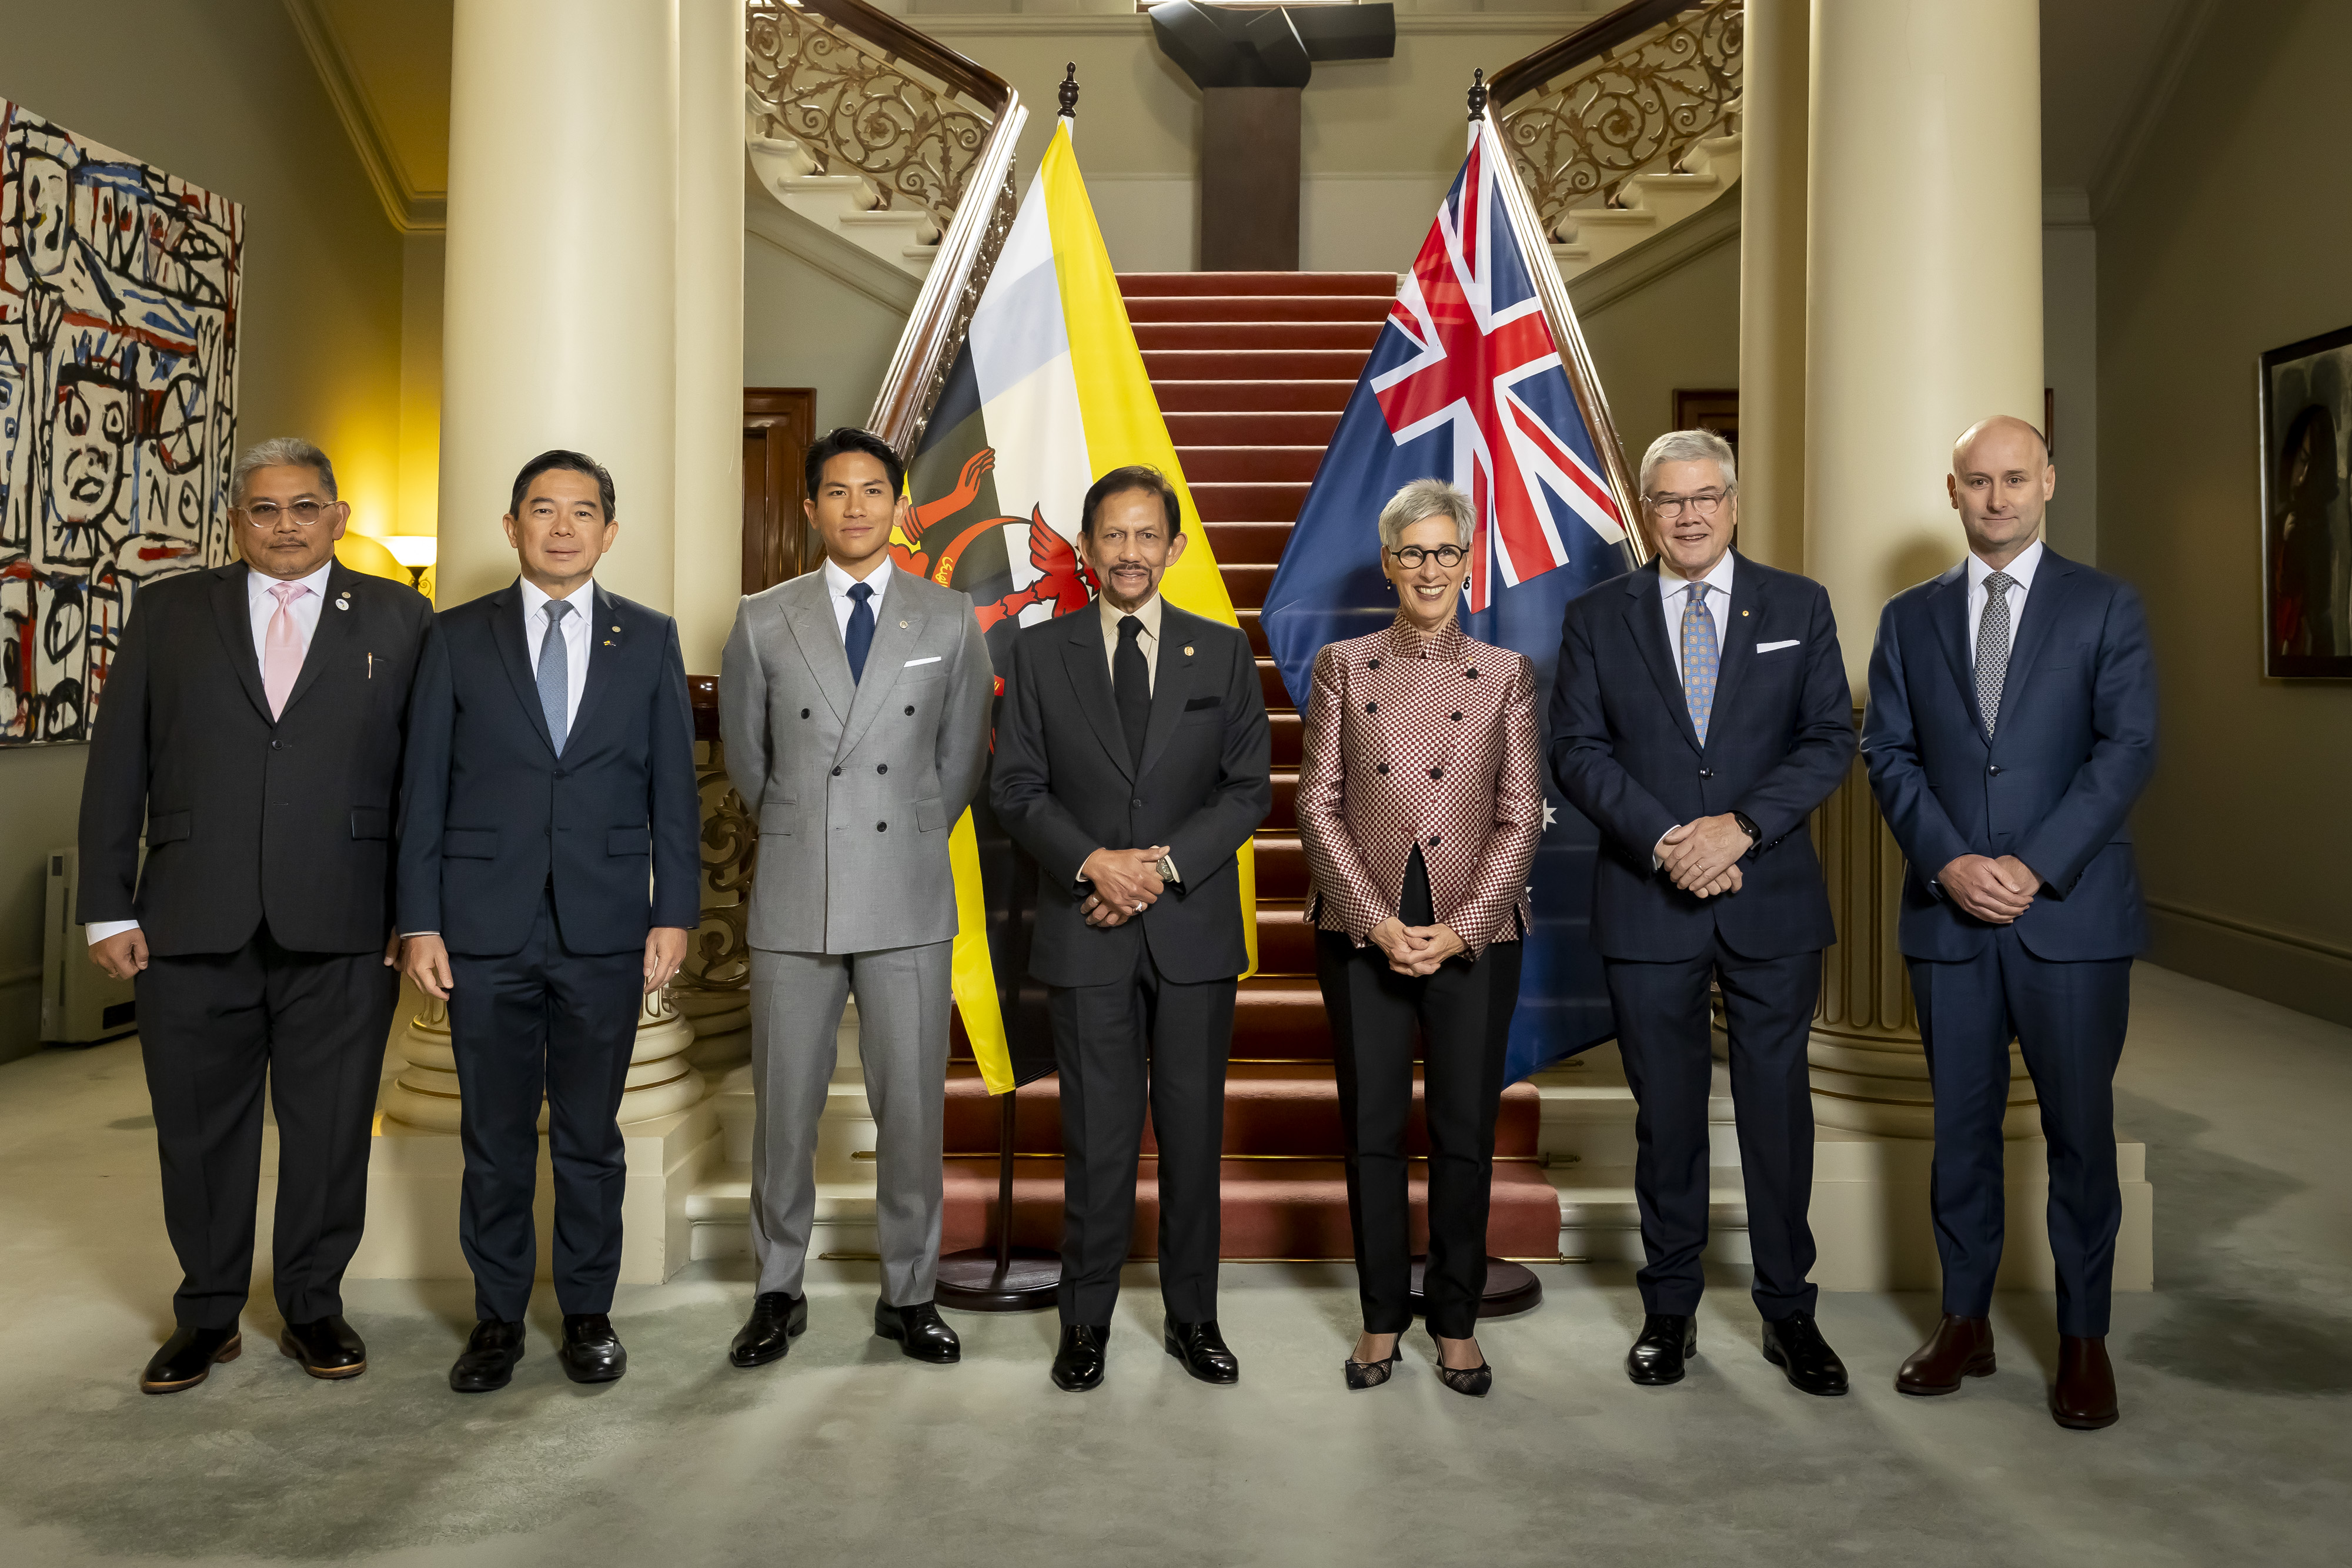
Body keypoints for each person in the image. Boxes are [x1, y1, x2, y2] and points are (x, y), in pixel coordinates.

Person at [78, 437, 432, 1394]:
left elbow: (422, 782)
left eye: (305, 507)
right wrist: (106, 906)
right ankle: (207, 1313)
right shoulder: (169, 613)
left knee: (327, 1129)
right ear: (237, 521)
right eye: (265, 510)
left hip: (347, 919)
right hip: (191, 917)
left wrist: (418, 912)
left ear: (339, 517)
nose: (285, 526)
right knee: (196, 1129)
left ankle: (315, 1305)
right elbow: (118, 765)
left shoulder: (402, 616)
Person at [1549, 428, 1857, 1396]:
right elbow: (1578, 750)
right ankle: (1669, 1309)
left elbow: (1826, 741)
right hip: (1648, 900)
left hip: (1769, 899)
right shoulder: (1599, 616)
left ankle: (1788, 1312)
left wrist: (1740, 831)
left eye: (1706, 497)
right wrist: (1671, 841)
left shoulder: (1798, 606)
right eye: (1671, 500)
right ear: (1648, 511)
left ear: (1734, 501)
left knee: (1777, 1112)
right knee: (1667, 1115)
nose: (1690, 515)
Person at [1862, 415, 2156, 1430]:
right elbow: (1888, 755)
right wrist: (1948, 862)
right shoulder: (1908, 618)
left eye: (2015, 479)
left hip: (2069, 918)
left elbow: (2125, 751)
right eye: (1978, 482)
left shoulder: (2106, 606)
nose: (1997, 498)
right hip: (1950, 921)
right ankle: (1966, 1321)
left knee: (2079, 1134)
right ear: (1953, 493)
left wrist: (2032, 865)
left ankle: (2084, 1340)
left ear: (2050, 484)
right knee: (1962, 1134)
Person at [397, 450, 700, 1393]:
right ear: (511, 526)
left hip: (607, 927)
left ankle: (588, 1312)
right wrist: (419, 921)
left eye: (582, 512)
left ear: (610, 532)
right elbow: (422, 793)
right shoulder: (454, 638)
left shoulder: (649, 640)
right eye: (542, 509)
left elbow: (674, 797)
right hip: (482, 927)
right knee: (490, 1135)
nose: (562, 527)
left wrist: (675, 914)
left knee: (589, 1134)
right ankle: (496, 1321)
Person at [717, 428, 994, 1368]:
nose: (856, 508)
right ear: (810, 509)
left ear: (899, 503)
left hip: (908, 895)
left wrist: (899, 826)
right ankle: (776, 1288)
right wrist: (806, 828)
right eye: (836, 492)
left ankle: (909, 1294)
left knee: (912, 1111)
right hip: (796, 895)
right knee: (783, 1111)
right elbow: (749, 766)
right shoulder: (763, 617)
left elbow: (957, 767)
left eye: (873, 490)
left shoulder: (950, 618)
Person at [990, 464, 1271, 1393]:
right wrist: (1092, 865)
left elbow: (1247, 789)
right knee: (1098, 1140)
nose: (1130, 553)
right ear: (1084, 547)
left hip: (1190, 932)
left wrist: (1157, 869)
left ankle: (1195, 1319)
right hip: (1084, 929)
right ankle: (1086, 1322)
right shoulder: (1038, 653)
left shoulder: (1222, 652)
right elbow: (1017, 790)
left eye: (1148, 536)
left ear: (1175, 548)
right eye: (1113, 536)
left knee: (1192, 1138)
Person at [1294, 479, 1544, 1398]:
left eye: (1446, 552)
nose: (1430, 568)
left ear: (1467, 561)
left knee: (1465, 1133)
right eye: (1413, 552)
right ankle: (1377, 1318)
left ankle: (1457, 1320)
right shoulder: (1344, 666)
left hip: (1475, 930)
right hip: (1366, 925)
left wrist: (1461, 929)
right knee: (1370, 1132)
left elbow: (1521, 817)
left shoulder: (1507, 672)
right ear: (1389, 563)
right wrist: (1377, 921)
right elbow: (1316, 806)